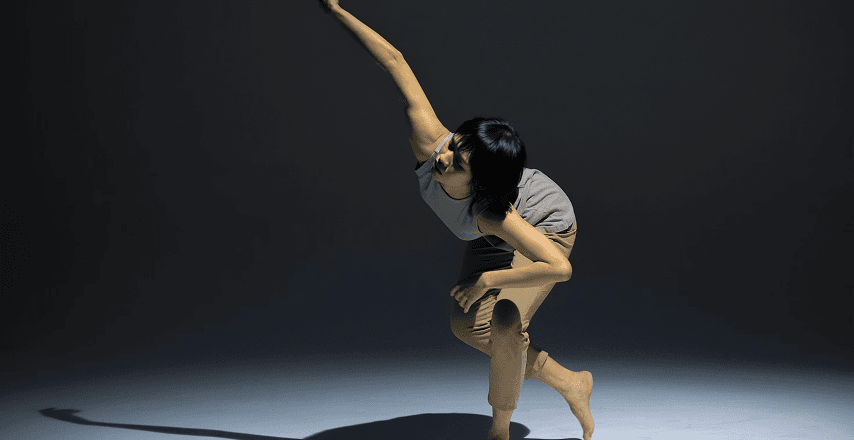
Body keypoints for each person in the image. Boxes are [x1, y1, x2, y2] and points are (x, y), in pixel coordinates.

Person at [319, 2, 594, 439]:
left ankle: (499, 429)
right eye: (453, 145)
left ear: (481, 182)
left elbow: (560, 269)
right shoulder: (433, 143)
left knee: (504, 320)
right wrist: (335, 9)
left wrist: (486, 281)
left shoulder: (495, 214)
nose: (441, 158)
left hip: (543, 228)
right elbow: (394, 61)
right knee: (467, 326)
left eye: (457, 161)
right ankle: (571, 381)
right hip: (491, 231)